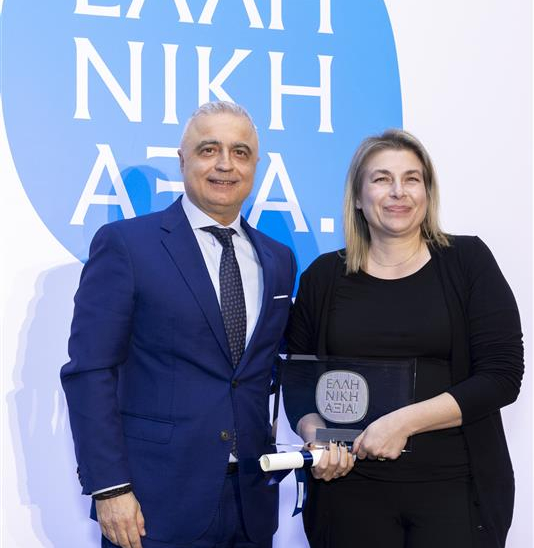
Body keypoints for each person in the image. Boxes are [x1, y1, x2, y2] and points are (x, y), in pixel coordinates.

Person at [61, 101, 296, 548]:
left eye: (240, 152)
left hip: (251, 504)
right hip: (153, 505)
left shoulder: (278, 259)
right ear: (182, 159)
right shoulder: (128, 245)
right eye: (209, 149)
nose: (225, 164)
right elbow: (89, 371)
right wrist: (109, 487)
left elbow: (271, 369)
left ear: (255, 165)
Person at [282, 129, 523, 548]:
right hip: (348, 491)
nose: (398, 191)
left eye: (412, 179)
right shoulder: (323, 276)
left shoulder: (468, 262)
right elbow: (299, 380)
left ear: (427, 193)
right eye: (382, 179)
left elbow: (502, 375)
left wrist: (402, 423)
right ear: (358, 197)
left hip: (457, 489)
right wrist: (316, 437)